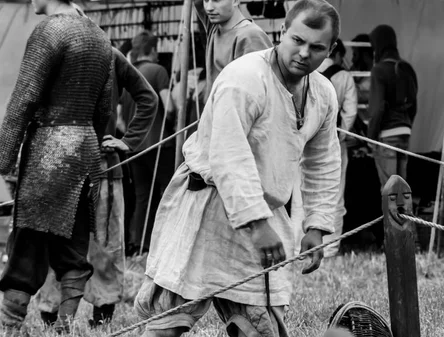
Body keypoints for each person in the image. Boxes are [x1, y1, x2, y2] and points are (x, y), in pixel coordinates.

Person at [133, 1, 342, 336]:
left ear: (330, 49)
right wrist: (256, 224)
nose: (304, 53)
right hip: (206, 205)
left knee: (258, 329)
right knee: (167, 324)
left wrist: (316, 226)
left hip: (264, 212)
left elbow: (323, 162)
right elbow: (229, 154)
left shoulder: (323, 94)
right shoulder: (244, 78)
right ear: (282, 32)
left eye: (316, 47)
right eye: (297, 41)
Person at [0, 0, 113, 333]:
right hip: (86, 153)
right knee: (73, 249)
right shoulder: (99, 36)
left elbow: (23, 100)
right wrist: (89, 147)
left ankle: (9, 329)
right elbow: (103, 109)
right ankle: (64, 328)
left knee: (26, 249)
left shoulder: (49, 30)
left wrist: (3, 159)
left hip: (48, 155)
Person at [34, 46, 159, 328]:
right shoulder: (52, 53)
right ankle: (50, 318)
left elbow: (147, 97)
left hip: (104, 169)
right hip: (61, 170)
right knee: (56, 245)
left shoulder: (110, 54)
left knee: (106, 248)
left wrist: (128, 140)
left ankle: (101, 320)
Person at [121, 31, 177, 255]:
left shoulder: (127, 75)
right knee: (169, 192)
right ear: (153, 50)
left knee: (142, 195)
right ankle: (166, 243)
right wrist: (170, 122)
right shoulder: (158, 71)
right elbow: (170, 106)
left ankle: (140, 245)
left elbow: (118, 117)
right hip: (160, 144)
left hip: (134, 147)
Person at [366, 24, 419, 250]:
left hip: (385, 136)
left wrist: (370, 137)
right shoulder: (407, 68)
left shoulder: (378, 70)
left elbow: (376, 109)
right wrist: (406, 126)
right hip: (404, 133)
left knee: (388, 190)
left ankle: (394, 242)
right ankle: (411, 240)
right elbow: (414, 105)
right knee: (403, 190)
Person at [316, 38, 357, 257]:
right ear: (338, 54)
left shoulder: (308, 72)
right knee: (335, 192)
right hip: (334, 140)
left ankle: (300, 245)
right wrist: (342, 134)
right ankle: (331, 246)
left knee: (303, 191)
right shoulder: (344, 77)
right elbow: (350, 112)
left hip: (307, 139)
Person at [193, 0, 273, 101]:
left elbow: (259, 96)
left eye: (216, 0)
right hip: (217, 113)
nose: (209, 8)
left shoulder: (250, 37)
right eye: (206, 0)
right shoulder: (214, 27)